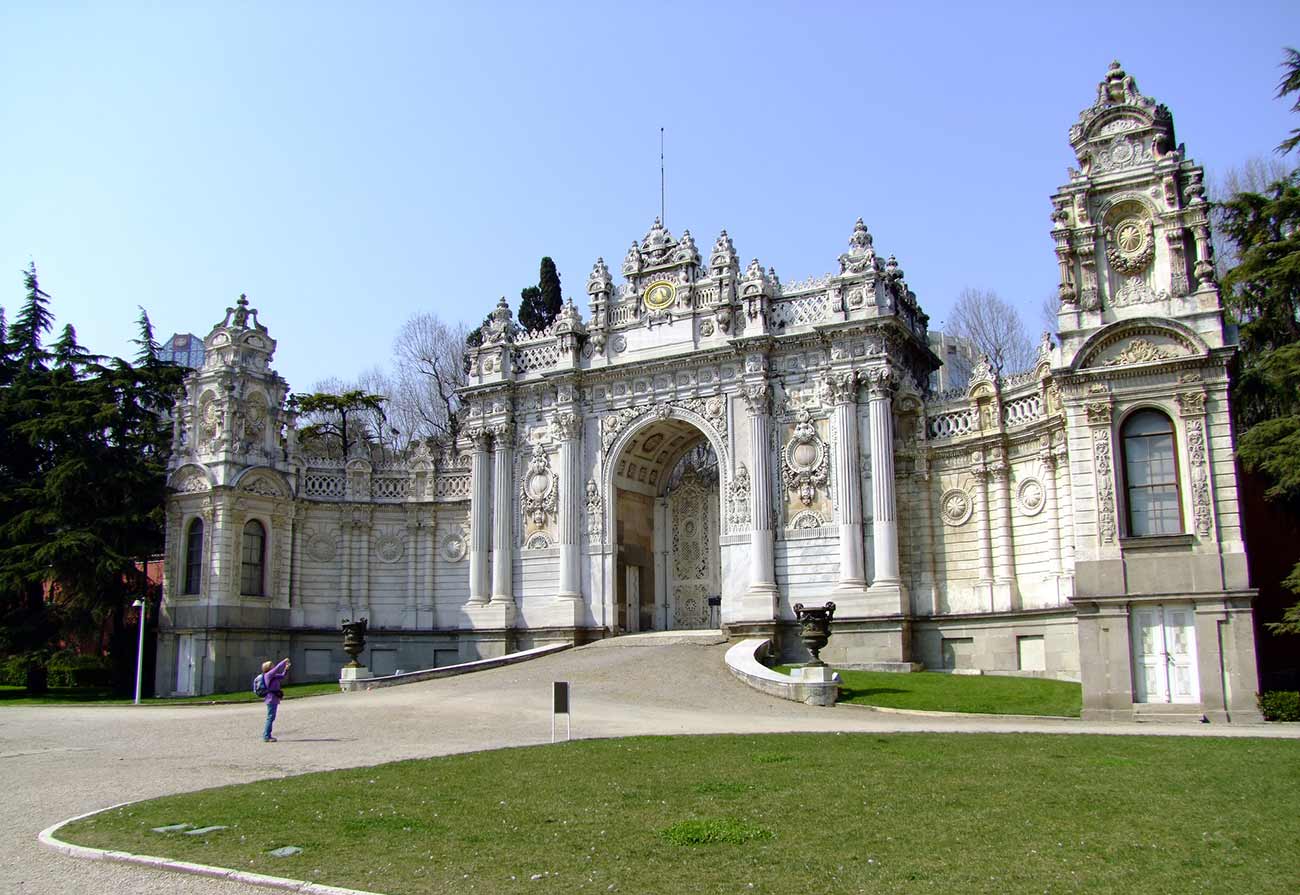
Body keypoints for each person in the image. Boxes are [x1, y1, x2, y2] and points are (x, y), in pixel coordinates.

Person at [261, 657, 290, 742]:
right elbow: (277, 667)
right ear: (268, 668)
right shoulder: (268, 675)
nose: (273, 666)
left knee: (271, 717)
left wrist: (286, 669)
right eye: (271, 665)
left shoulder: (273, 676)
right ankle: (266, 736)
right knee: (270, 717)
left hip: (274, 698)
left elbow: (282, 676)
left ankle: (267, 735)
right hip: (271, 699)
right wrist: (284, 661)